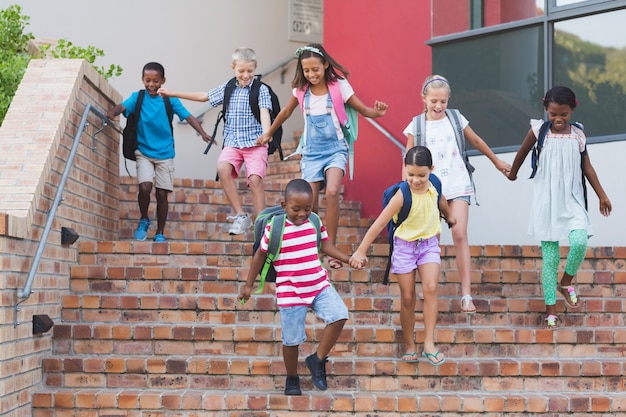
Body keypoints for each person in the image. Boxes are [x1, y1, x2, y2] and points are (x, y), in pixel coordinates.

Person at [259, 43, 388, 270]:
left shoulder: (339, 86)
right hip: (311, 152)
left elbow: (363, 109)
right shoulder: (300, 91)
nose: (311, 74)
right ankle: (313, 248)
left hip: (336, 149)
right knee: (312, 204)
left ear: (325, 64)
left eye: (315, 69)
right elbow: (286, 112)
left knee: (332, 191)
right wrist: (268, 133)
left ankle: (333, 252)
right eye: (307, 70)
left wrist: (376, 111)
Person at [403, 75, 511, 313]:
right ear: (424, 99)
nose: (439, 106)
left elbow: (475, 140)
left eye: (443, 101)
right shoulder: (416, 125)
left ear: (448, 99)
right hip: (429, 188)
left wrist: (496, 161)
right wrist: (406, 189)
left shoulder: (455, 117)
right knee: (430, 237)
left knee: (459, 233)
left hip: (458, 182)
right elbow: (408, 158)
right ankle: (428, 287)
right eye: (434, 101)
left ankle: (466, 294)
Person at [507, 86, 612, 329]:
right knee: (551, 258)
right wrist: (513, 174)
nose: (558, 119)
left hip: (572, 199)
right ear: (546, 110)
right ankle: (551, 310)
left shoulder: (578, 135)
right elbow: (522, 152)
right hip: (547, 202)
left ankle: (566, 283)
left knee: (579, 241)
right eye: (553, 114)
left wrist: (602, 195)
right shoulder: (538, 130)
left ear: (572, 110)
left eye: (563, 114)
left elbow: (587, 167)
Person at [237, 178, 352, 396]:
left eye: (307, 209)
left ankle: (317, 360)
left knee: (339, 314)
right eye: (296, 209)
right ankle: (292, 378)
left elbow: (325, 245)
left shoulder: (315, 222)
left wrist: (348, 259)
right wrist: (248, 285)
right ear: (284, 206)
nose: (302, 214)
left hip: (318, 285)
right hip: (290, 291)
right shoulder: (276, 227)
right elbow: (259, 255)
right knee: (291, 340)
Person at [349, 146, 456, 366]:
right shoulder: (401, 195)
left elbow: (442, 202)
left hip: (428, 245)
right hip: (405, 247)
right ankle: (409, 345)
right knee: (408, 298)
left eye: (421, 175)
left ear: (431, 170)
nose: (415, 180)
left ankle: (429, 344)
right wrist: (361, 250)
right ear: (405, 170)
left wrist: (449, 217)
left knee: (431, 288)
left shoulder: (434, 184)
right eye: (410, 174)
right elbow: (379, 223)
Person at [158, 47, 272, 235]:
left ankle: (262, 228)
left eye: (250, 71)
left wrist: (266, 134)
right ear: (233, 68)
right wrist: (172, 93)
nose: (245, 75)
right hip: (233, 143)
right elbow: (204, 96)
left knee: (255, 180)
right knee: (222, 168)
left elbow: (265, 112)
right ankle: (241, 215)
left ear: (255, 68)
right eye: (241, 71)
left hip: (256, 143)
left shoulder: (261, 90)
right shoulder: (228, 87)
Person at [106, 62, 213, 242]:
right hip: (143, 151)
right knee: (145, 187)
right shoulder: (138, 97)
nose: (151, 85)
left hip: (165, 153)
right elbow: (122, 107)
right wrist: (111, 113)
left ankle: (160, 232)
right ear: (142, 80)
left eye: (156, 81)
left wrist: (202, 133)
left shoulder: (169, 99)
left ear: (163, 80)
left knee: (162, 194)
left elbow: (188, 116)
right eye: (147, 80)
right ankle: (144, 219)